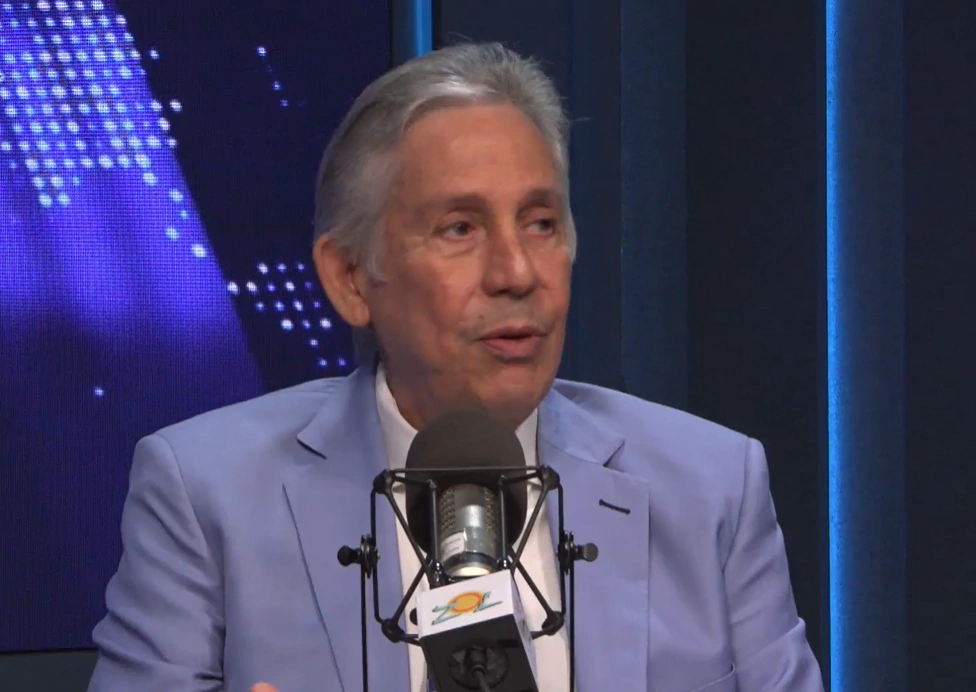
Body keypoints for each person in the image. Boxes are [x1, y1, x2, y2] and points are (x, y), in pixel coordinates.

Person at [87, 43, 824, 692]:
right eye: (460, 228)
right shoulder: (205, 495)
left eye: (541, 223)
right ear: (350, 277)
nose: (516, 272)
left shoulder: (711, 487)